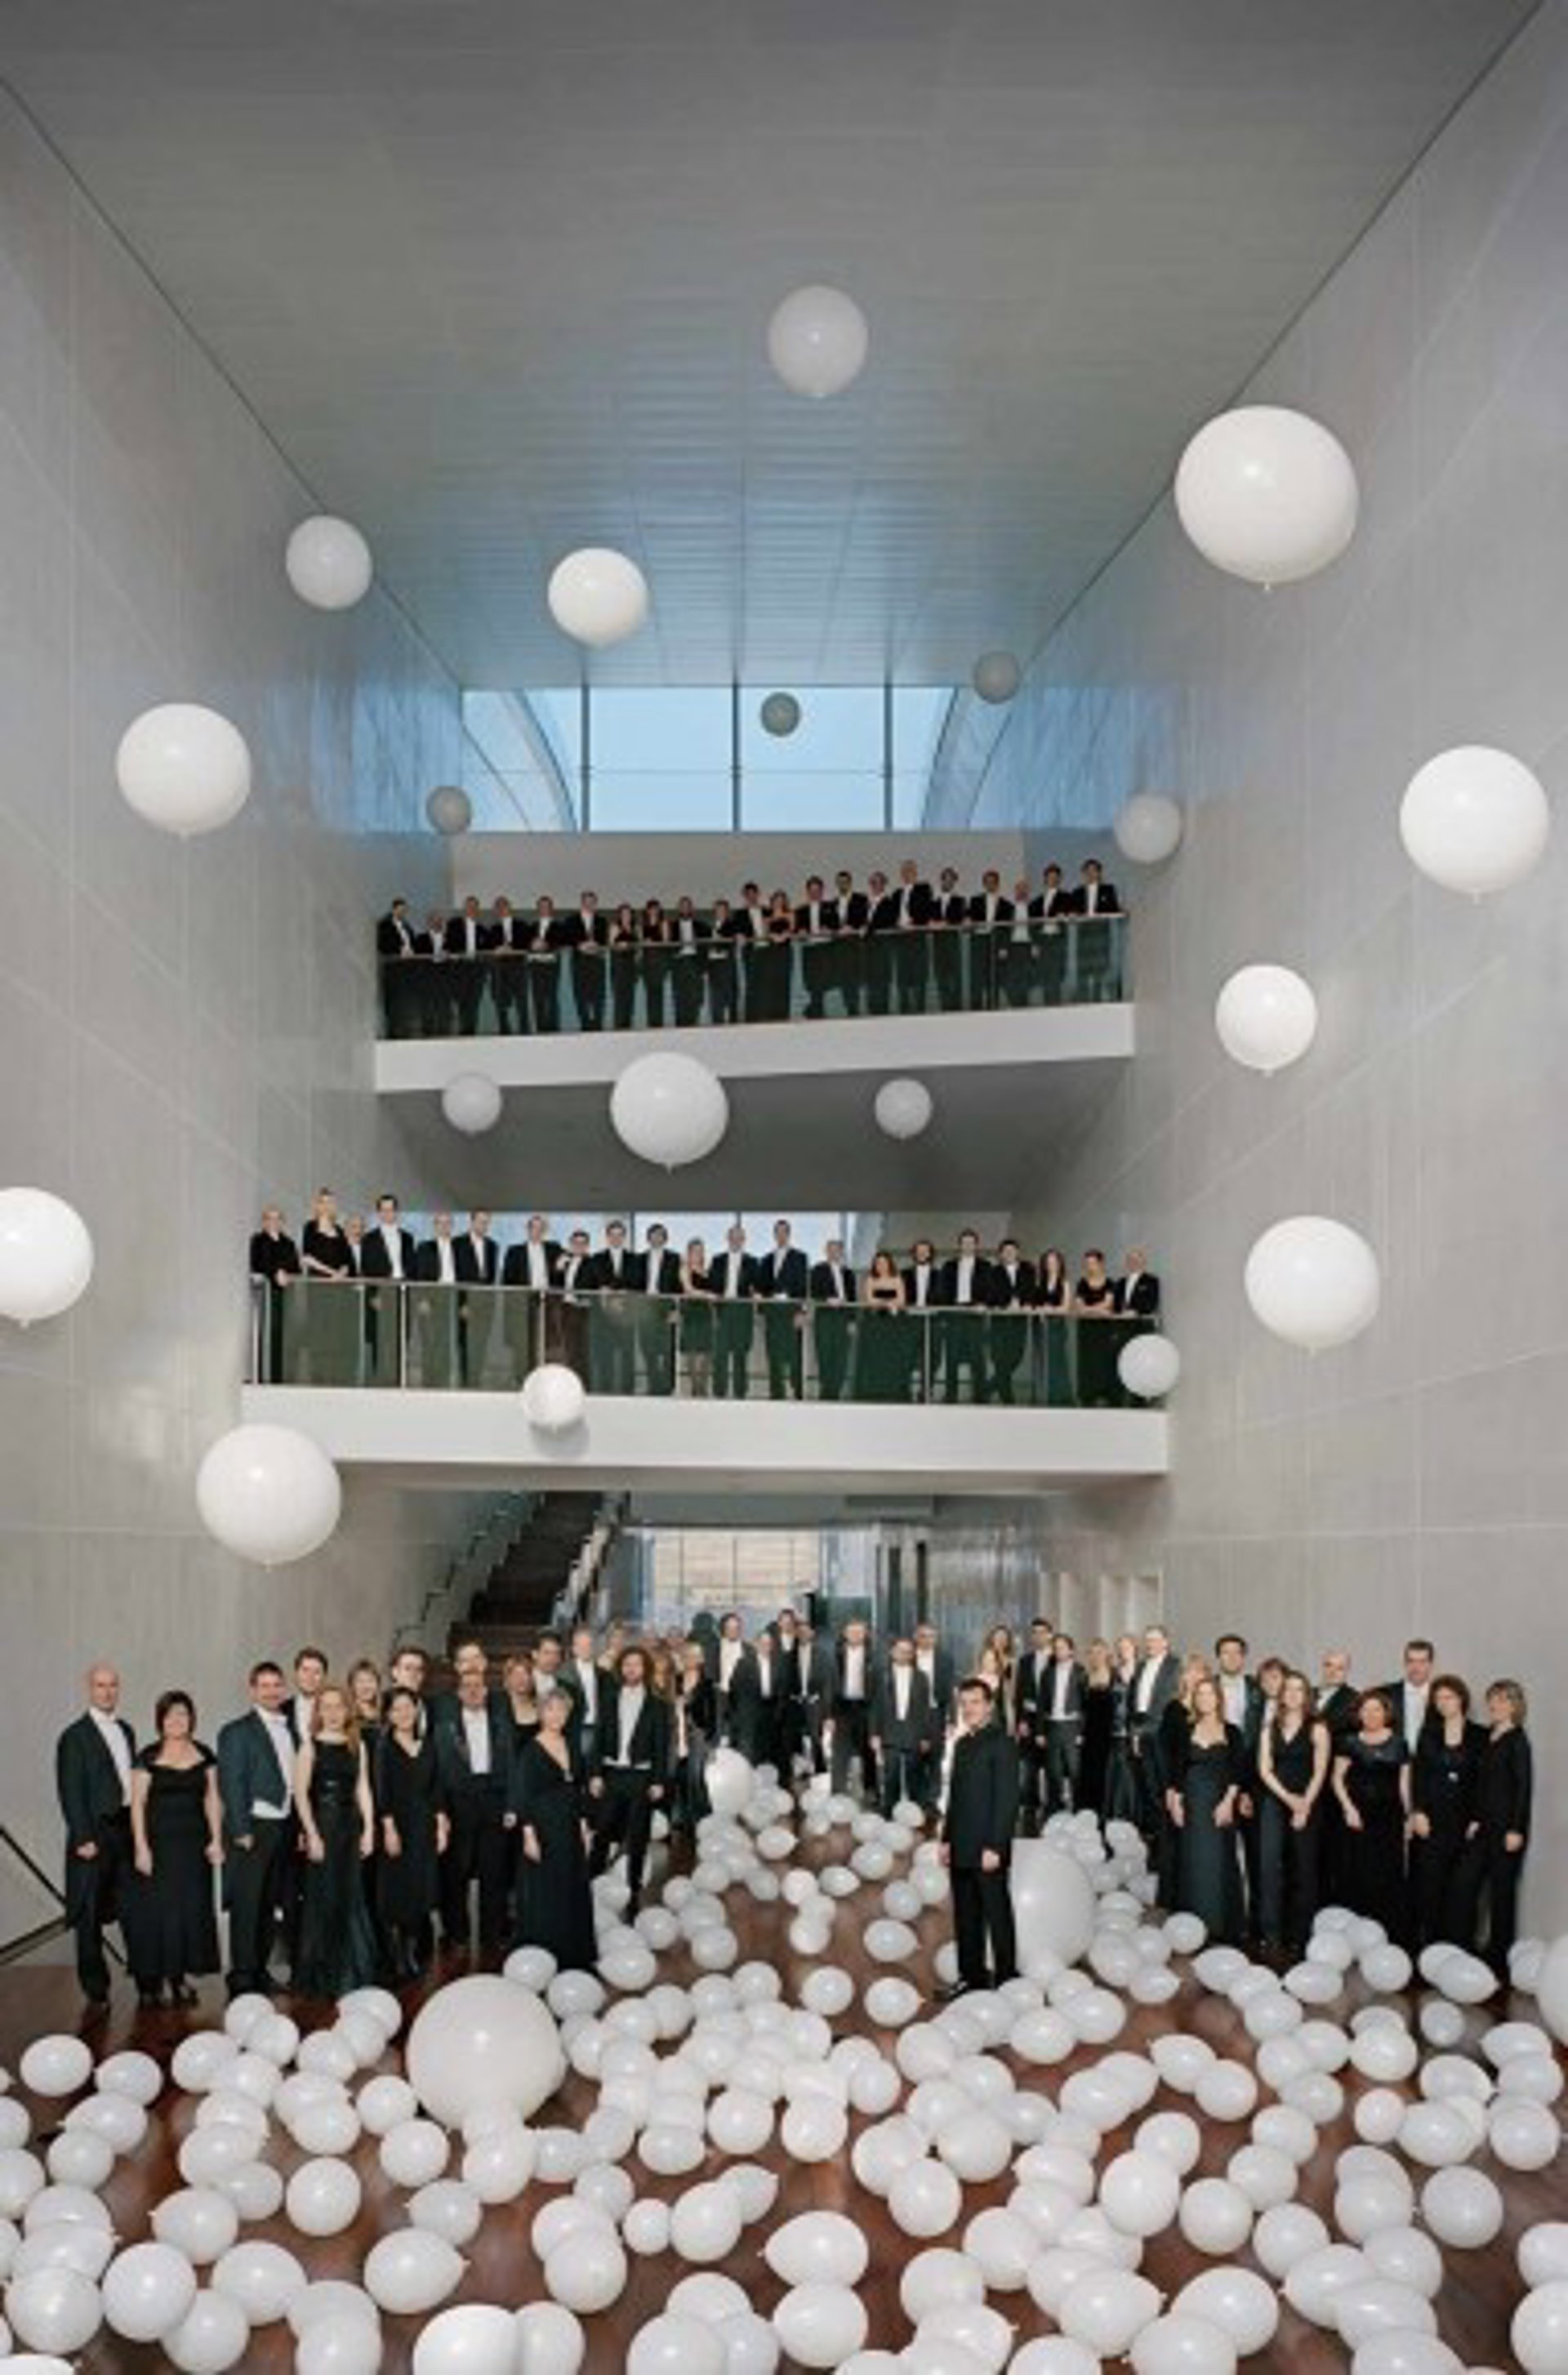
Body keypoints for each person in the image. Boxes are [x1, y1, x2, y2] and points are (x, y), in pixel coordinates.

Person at [120, 1691, 220, 2010]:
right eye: (170, 1715)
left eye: (183, 1714)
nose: (177, 1720)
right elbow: (138, 1805)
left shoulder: (205, 1754)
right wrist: (141, 1847)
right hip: (158, 1846)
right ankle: (151, 1981)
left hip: (193, 1846)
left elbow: (212, 1799)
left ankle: (177, 1978)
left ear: (192, 1718)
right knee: (156, 1914)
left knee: (188, 1911)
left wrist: (216, 1839)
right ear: (160, 1720)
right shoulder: (147, 1756)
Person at [56, 1664, 136, 2008]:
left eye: (113, 1685)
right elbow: (70, 1790)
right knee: (88, 1915)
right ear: (89, 1689)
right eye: (101, 1685)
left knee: (132, 1905)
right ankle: (96, 1988)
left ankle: (143, 1977)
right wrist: (82, 1837)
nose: (107, 1692)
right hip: (94, 1833)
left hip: (125, 1830)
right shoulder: (74, 1736)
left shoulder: (126, 1730)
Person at [292, 1683, 377, 1999]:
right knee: (324, 1897)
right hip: (324, 1827)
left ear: (347, 1710)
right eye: (325, 1707)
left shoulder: (358, 1745)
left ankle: (351, 1972)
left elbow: (363, 1788)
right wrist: (312, 1834)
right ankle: (323, 1975)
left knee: (351, 1895)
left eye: (338, 1706)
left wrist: (369, 1829)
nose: (332, 1713)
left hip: (350, 1828)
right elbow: (300, 1795)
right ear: (318, 1712)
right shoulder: (309, 1747)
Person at [216, 1660, 296, 1998]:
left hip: (283, 1824)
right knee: (247, 1904)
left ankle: (260, 1970)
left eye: (277, 1685)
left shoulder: (289, 1729)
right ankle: (242, 1976)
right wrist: (240, 1828)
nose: (271, 1691)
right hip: (253, 1826)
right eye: (264, 1685)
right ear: (252, 1690)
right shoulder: (236, 1732)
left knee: (269, 1903)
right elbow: (231, 1782)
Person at [940, 1678, 1020, 1998]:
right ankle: (970, 1977)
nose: (969, 1709)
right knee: (965, 1917)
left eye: (975, 1702)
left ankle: (1007, 1980)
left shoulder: (1003, 1744)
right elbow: (955, 1798)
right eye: (964, 1703)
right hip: (960, 1844)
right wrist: (946, 1839)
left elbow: (1007, 1801)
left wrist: (996, 1846)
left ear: (989, 1706)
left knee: (997, 1916)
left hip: (988, 1847)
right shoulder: (961, 1744)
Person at [512, 1685, 597, 1969]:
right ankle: (548, 1953)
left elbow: (579, 1787)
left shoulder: (571, 1744)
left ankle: (574, 1953)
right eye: (550, 1709)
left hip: (570, 1824)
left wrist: (584, 1826)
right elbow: (523, 1795)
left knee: (573, 1886)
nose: (556, 1715)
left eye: (562, 1710)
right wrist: (529, 1835)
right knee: (547, 1889)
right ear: (540, 1713)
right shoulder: (530, 1750)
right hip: (543, 1827)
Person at [434, 1666, 513, 1957]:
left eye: (478, 1686)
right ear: (458, 1693)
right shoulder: (443, 1729)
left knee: (494, 1874)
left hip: (494, 1802)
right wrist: (442, 1812)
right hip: (459, 1805)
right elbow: (439, 1775)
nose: (473, 1691)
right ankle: (457, 1935)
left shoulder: (502, 1725)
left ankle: (493, 1935)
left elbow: (513, 1769)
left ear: (486, 1691)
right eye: (467, 1686)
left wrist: (511, 1807)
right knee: (457, 1873)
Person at [1454, 1680, 1532, 1979]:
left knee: (1502, 1895)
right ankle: (1467, 1948)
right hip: (1483, 1827)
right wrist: (1475, 1819)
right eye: (1492, 1700)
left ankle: (1500, 1960)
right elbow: (1481, 1784)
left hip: (1506, 1830)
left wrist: (1517, 1828)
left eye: (1502, 1700)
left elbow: (1523, 1787)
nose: (1494, 1705)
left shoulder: (1517, 1740)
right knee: (1465, 1884)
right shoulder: (1488, 1737)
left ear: (1514, 1705)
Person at [588, 1647, 671, 1915]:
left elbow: (662, 1746)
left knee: (637, 1838)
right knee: (602, 1831)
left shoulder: (658, 1705)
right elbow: (598, 1739)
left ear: (645, 1669)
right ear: (621, 1669)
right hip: (612, 1774)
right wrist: (595, 1774)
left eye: (637, 1664)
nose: (631, 1669)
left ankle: (634, 1891)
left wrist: (658, 1781)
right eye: (627, 1664)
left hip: (641, 1777)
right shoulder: (609, 1699)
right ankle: (590, 1885)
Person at [1255, 1671, 1330, 1959]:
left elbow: (1320, 1770)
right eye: (1288, 1689)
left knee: (1304, 1870)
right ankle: (1271, 1934)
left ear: (1306, 1695)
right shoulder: (1269, 1729)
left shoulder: (1318, 1728)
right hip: (1275, 1801)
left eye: (1299, 1689)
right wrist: (1288, 1799)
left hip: (1308, 1802)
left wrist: (1304, 1805)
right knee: (1270, 1867)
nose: (1293, 1694)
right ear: (1281, 1694)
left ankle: (1301, 1937)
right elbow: (1265, 1770)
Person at [1167, 1676, 1245, 1945]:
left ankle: (1219, 1924)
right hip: (1192, 1802)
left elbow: (1237, 1771)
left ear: (1218, 1698)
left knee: (1220, 1860)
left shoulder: (1232, 1731)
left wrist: (1228, 1802)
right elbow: (1177, 1769)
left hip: (1220, 1802)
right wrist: (1175, 1802)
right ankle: (1193, 1924)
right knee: (1192, 1859)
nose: (1204, 1699)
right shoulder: (1186, 1729)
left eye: (1209, 1694)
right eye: (1199, 1694)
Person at [376, 1686, 447, 1979]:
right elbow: (382, 1791)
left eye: (408, 1707)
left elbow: (438, 1787)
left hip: (424, 1824)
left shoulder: (428, 1744)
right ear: (389, 1715)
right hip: (397, 1825)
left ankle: (414, 1950)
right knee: (399, 1891)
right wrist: (389, 1828)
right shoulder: (385, 1747)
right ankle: (398, 1956)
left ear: (417, 1709)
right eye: (397, 1709)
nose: (404, 1713)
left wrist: (441, 1825)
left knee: (422, 1889)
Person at [1410, 1674, 1484, 1950]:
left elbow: (1484, 1781)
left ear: (1461, 1699)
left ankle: (1460, 1948)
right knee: (1430, 1884)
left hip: (1466, 1822)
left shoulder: (1480, 1734)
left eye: (1449, 1697)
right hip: (1432, 1819)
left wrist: (1477, 1817)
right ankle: (1430, 1947)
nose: (1443, 1703)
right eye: (1438, 1698)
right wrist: (1418, 1812)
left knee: (1462, 1889)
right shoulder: (1428, 1732)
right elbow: (1418, 1775)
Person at [1333, 1689, 1412, 1941]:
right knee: (1357, 1872)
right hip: (1357, 1816)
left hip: (1390, 1818)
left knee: (1388, 1874)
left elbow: (1404, 1785)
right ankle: (1356, 1936)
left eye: (1376, 1709)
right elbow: (1337, 1779)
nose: (1371, 1714)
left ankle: (1388, 1935)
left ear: (1386, 1713)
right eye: (1366, 1710)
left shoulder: (1400, 1743)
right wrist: (1348, 1808)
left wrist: (1409, 1817)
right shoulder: (1349, 1742)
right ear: (1359, 1714)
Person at [1128, 1624, 1182, 1854]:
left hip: (1163, 1732)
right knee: (1148, 1787)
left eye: (1155, 1639)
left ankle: (1170, 1841)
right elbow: (1135, 1701)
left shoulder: (1175, 1665)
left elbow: (1170, 1701)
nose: (1150, 1644)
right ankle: (1157, 1841)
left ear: (1166, 1642)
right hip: (1142, 1733)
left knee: (1164, 1786)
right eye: (1148, 1640)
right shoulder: (1141, 1666)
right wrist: (1135, 1733)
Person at [300, 1187, 359, 1384]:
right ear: (317, 1205)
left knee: (336, 1331)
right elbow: (307, 1258)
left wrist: (341, 1273)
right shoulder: (310, 1227)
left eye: (330, 1202)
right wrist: (331, 1273)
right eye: (323, 1201)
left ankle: (336, 1375)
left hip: (338, 1289)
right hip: (318, 1286)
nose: (326, 1205)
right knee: (319, 1330)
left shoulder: (339, 1230)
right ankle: (318, 1376)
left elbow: (348, 1261)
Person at [871, 1639, 933, 1814]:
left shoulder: (922, 1677)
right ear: (892, 1652)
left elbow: (925, 1709)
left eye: (908, 1651)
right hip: (889, 1730)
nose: (904, 1654)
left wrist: (926, 1736)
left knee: (914, 1776)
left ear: (913, 1655)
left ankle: (914, 1815)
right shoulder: (881, 1675)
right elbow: (875, 1706)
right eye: (900, 1650)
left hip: (913, 1731)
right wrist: (874, 1733)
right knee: (890, 1776)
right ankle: (889, 1815)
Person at [939, 1228, 994, 1405]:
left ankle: (980, 1396)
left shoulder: (985, 1266)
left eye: (971, 1242)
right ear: (960, 1245)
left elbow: (991, 1290)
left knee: (977, 1356)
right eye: (964, 1242)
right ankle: (951, 1395)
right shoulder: (949, 1266)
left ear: (976, 1245)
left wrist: (984, 1304)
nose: (968, 1245)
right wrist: (947, 1311)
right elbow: (943, 1291)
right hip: (954, 1313)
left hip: (975, 1314)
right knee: (952, 1356)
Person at [757, 1219, 809, 1400]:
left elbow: (803, 1287)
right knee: (773, 1354)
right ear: (774, 1235)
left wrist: (802, 1311)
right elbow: (762, 1287)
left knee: (795, 1355)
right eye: (777, 1232)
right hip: (773, 1314)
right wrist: (761, 1310)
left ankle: (798, 1393)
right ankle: (776, 1394)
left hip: (792, 1313)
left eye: (784, 1232)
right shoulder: (766, 1260)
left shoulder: (800, 1257)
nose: (780, 1235)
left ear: (789, 1234)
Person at [249, 1205, 301, 1382]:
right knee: (268, 1335)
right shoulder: (258, 1240)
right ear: (264, 1222)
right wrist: (276, 1272)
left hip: (286, 1297)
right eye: (270, 1218)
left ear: (282, 1222)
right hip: (267, 1296)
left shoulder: (289, 1243)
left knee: (284, 1337)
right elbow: (258, 1263)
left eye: (277, 1218)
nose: (274, 1222)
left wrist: (285, 1273)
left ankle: (281, 1377)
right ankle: (265, 1377)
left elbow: (296, 1268)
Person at [1039, 1632, 1087, 1816]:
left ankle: (1078, 1811)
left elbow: (1086, 1704)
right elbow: (1042, 1704)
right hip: (1052, 1726)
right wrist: (1040, 1732)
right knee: (1053, 1773)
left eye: (1062, 1648)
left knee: (1076, 1772)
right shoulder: (1048, 1673)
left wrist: (1082, 1731)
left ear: (1071, 1650)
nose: (1059, 1651)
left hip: (1072, 1727)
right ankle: (1055, 1812)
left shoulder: (1081, 1672)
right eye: (1056, 1648)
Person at [1013, 1618, 1055, 1834]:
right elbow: (1020, 1693)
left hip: (1052, 1721)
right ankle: (1030, 1808)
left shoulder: (1057, 1658)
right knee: (1029, 1768)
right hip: (1029, 1721)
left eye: (1042, 1632)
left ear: (1050, 1635)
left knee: (1052, 1766)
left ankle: (1052, 1808)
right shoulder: (1025, 1661)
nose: (1038, 1636)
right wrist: (1020, 1720)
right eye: (1034, 1633)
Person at [829, 1619, 876, 1800]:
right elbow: (829, 1686)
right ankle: (837, 1791)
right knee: (840, 1751)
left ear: (865, 1634)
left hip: (866, 1708)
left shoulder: (875, 1655)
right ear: (845, 1634)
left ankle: (871, 1790)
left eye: (859, 1632)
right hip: (843, 1707)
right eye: (852, 1632)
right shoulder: (836, 1655)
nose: (855, 1635)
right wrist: (829, 1715)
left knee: (868, 1751)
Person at [672, 1643, 718, 1833]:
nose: (690, 1659)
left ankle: (702, 1816)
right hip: (677, 1733)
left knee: (695, 1775)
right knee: (680, 1774)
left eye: (694, 1656)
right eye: (687, 1655)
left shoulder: (707, 1684)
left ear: (701, 1660)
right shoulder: (675, 1680)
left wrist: (710, 1742)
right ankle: (683, 1817)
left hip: (698, 1733)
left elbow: (713, 1715)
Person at [709, 1224, 758, 1398]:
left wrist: (757, 1294)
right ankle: (719, 1392)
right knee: (720, 1354)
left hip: (742, 1310)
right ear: (728, 1239)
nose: (736, 1240)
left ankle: (740, 1393)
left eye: (739, 1237)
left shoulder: (752, 1261)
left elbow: (757, 1286)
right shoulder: (717, 1260)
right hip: (723, 1309)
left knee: (740, 1354)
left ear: (744, 1240)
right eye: (733, 1237)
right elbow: (712, 1285)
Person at [808, 1238, 857, 1403]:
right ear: (826, 1252)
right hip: (825, 1316)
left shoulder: (848, 1273)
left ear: (841, 1252)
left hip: (843, 1317)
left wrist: (852, 1320)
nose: (834, 1253)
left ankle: (836, 1391)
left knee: (841, 1355)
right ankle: (826, 1392)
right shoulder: (817, 1270)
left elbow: (853, 1297)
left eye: (837, 1250)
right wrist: (827, 1300)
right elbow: (813, 1292)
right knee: (824, 1353)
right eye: (831, 1250)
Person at [987, 1239, 1036, 1404]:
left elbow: (1031, 1291)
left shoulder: (1028, 1270)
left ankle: (987, 1388)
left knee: (1016, 1357)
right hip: (1000, 1322)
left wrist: (1026, 1303)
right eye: (1005, 1251)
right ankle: (1008, 1400)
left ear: (1018, 1253)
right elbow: (991, 1295)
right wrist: (1006, 1304)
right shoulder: (994, 1272)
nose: (1009, 1254)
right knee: (1000, 1360)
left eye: (1012, 1250)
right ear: (1001, 1254)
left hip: (1018, 1321)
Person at [857, 1250, 908, 1402]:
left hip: (893, 1324)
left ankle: (893, 1389)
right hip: (874, 1323)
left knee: (892, 1356)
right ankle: (872, 1389)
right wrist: (888, 1303)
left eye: (884, 1262)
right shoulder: (870, 1279)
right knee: (874, 1356)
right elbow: (869, 1300)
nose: (881, 1265)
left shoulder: (897, 1279)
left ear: (889, 1264)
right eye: (878, 1263)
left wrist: (885, 1303)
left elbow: (902, 1300)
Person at [1379, 1638, 1442, 1758]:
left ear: (1431, 1664)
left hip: (1432, 1762)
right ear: (1404, 1663)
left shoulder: (1441, 1695)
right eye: (1411, 1661)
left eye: (1422, 1662)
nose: (1416, 1667)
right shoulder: (1385, 1694)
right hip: (1393, 1762)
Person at [639, 1222, 682, 1395]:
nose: (657, 1238)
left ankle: (668, 1387)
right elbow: (634, 1283)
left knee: (667, 1349)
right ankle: (653, 1386)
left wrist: (676, 1308)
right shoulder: (640, 1259)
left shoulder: (674, 1258)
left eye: (660, 1235)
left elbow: (678, 1286)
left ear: (665, 1239)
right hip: (645, 1306)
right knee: (648, 1348)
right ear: (648, 1238)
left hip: (665, 1306)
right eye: (654, 1235)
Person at [1076, 1638, 1116, 1821]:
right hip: (1089, 1732)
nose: (1096, 1656)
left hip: (1108, 1732)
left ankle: (1103, 1812)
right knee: (1088, 1772)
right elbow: (1081, 1708)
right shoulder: (1085, 1677)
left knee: (1105, 1773)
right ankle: (1087, 1811)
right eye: (1092, 1653)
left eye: (1100, 1652)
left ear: (1107, 1653)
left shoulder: (1115, 1675)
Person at [1071, 858, 1121, 999]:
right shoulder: (1077, 892)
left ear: (1099, 873)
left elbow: (1114, 908)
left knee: (1100, 967)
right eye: (1088, 871)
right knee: (1083, 967)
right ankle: (1083, 997)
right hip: (1084, 934)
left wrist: (1122, 910)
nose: (1091, 873)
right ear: (1084, 874)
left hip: (1101, 933)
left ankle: (1097, 997)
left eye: (1094, 870)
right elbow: (1072, 911)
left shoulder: (1108, 889)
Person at [1074, 1248, 1118, 1406]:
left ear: (1101, 1264)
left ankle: (1106, 1395)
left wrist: (1089, 1310)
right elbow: (1079, 1306)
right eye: (1087, 1263)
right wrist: (1097, 1311)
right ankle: (1087, 1395)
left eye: (1093, 1263)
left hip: (1104, 1329)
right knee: (1087, 1361)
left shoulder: (1110, 1283)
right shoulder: (1082, 1283)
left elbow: (1108, 1304)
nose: (1090, 1267)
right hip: (1086, 1328)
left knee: (1104, 1360)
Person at [891, 858, 933, 1014]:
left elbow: (925, 909)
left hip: (917, 939)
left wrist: (913, 922)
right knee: (902, 978)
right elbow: (891, 914)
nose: (907, 874)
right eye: (904, 871)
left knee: (919, 977)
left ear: (915, 873)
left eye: (910, 871)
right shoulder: (897, 893)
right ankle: (904, 1010)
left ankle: (920, 1010)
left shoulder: (923, 889)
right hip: (901, 940)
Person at [1030, 864, 1074, 1005]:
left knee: (1056, 975)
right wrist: (1034, 943)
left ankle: (1055, 1005)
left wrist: (1065, 915)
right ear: (1045, 879)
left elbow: (1072, 913)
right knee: (1044, 974)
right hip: (1042, 940)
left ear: (1059, 879)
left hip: (1056, 939)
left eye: (1055, 877)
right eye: (1050, 877)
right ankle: (1046, 1005)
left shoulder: (1066, 897)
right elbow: (1032, 925)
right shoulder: (1037, 901)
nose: (1052, 880)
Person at [968, 871, 1013, 1009]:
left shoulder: (1006, 905)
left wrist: (1004, 947)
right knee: (977, 978)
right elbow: (969, 920)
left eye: (993, 882)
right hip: (979, 942)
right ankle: (975, 1010)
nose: (990, 884)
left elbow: (1007, 930)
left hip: (996, 943)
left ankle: (993, 1008)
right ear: (984, 884)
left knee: (994, 977)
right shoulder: (975, 901)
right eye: (987, 882)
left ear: (997, 884)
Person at [565, 891, 608, 1032]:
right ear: (582, 903)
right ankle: (585, 1025)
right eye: (587, 902)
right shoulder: (571, 920)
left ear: (595, 904)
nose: (589, 905)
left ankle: (598, 1025)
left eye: (592, 902)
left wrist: (595, 946)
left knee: (599, 996)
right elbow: (568, 938)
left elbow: (604, 940)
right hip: (579, 963)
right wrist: (579, 945)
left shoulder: (602, 921)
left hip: (597, 963)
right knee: (580, 995)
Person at [795, 876, 838, 1018]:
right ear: (807, 892)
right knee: (811, 982)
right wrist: (801, 932)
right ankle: (815, 1010)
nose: (815, 893)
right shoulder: (801, 910)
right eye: (812, 890)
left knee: (822, 982)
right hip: (809, 949)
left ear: (822, 891)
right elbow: (797, 929)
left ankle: (816, 1011)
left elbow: (836, 925)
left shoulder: (830, 907)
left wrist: (830, 930)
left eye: (817, 890)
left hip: (825, 949)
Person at [678, 1236, 715, 1396]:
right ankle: (695, 1387)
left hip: (706, 1314)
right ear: (689, 1252)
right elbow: (688, 1289)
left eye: (700, 1251)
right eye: (694, 1251)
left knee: (706, 1352)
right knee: (692, 1351)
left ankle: (703, 1387)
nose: (698, 1254)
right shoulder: (685, 1269)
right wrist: (707, 1295)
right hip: (691, 1312)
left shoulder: (707, 1271)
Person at [1035, 1247, 1072, 1406]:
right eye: (1048, 1262)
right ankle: (1045, 1395)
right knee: (1043, 1360)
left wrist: (1050, 1310)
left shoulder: (1064, 1283)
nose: (1051, 1265)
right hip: (1041, 1327)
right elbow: (1035, 1304)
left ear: (1060, 1263)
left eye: (1054, 1262)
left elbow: (1066, 1307)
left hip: (1057, 1326)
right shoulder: (1040, 1282)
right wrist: (1040, 1310)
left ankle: (1061, 1397)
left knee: (1057, 1360)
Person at [489, 893, 529, 1036]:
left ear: (509, 907)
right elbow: (491, 946)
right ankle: (504, 1031)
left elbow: (525, 943)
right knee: (501, 1003)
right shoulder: (494, 928)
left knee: (521, 1002)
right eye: (498, 907)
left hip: (518, 968)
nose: (501, 909)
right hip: (499, 970)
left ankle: (525, 1031)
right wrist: (497, 949)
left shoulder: (521, 925)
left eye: (504, 906)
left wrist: (510, 948)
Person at [526, 896, 566, 1032]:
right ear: (538, 909)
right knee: (538, 998)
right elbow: (526, 944)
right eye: (541, 906)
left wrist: (546, 945)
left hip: (551, 966)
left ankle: (553, 1029)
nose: (544, 909)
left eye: (547, 906)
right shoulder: (532, 926)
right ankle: (540, 1029)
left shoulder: (559, 926)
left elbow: (561, 942)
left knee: (552, 998)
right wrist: (532, 945)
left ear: (551, 908)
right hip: (535, 966)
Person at [670, 896, 708, 1026]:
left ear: (692, 908)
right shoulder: (672, 926)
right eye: (683, 906)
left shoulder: (701, 926)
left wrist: (704, 967)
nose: (685, 908)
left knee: (696, 997)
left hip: (695, 963)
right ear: (679, 909)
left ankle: (694, 1024)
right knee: (680, 997)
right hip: (679, 963)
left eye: (687, 906)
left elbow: (705, 947)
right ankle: (680, 1026)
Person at [707, 896, 741, 1024]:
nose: (720, 912)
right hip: (712, 965)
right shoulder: (709, 926)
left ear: (727, 912)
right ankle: (717, 1025)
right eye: (718, 910)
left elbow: (733, 940)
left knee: (730, 997)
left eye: (722, 910)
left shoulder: (733, 925)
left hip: (726, 964)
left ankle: (733, 1025)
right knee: (715, 999)